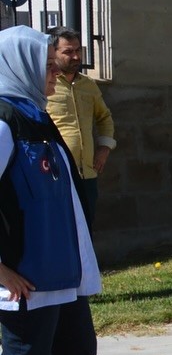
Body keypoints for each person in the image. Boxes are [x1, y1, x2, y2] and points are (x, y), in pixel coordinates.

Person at [0, 27, 133, 355]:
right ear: (22, 65)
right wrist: (2, 270)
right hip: (28, 278)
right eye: (48, 64)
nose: (56, 72)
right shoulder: (2, 122)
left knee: (76, 353)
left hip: (62, 273)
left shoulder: (36, 117)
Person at [45, 27, 116, 230]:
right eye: (68, 52)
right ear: (52, 52)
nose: (75, 56)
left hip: (87, 175)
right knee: (58, 230)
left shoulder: (88, 85)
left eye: (78, 50)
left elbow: (104, 117)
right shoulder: (45, 84)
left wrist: (104, 148)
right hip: (56, 174)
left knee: (85, 229)